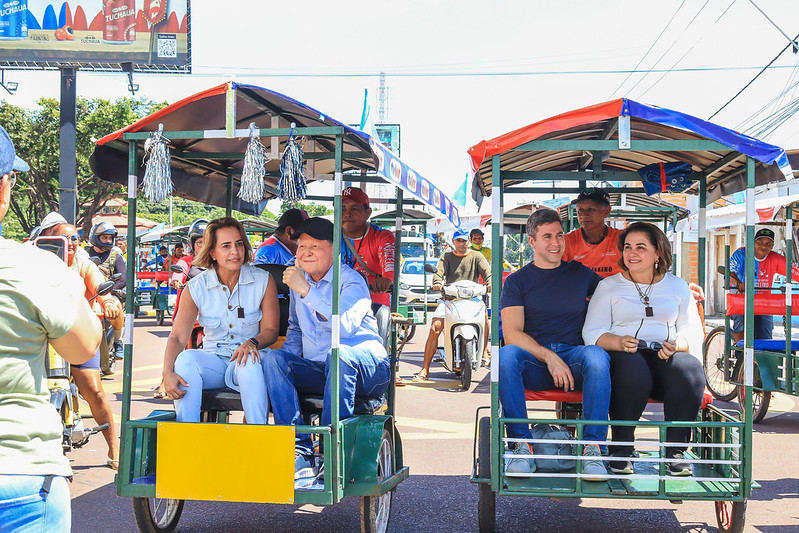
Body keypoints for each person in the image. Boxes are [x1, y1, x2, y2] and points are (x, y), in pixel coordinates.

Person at [0, 125, 102, 531]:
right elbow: (83, 347)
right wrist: (70, 288)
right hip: (19, 475)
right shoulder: (36, 267)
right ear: (4, 188)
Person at [262, 217, 391, 479]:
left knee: (339, 354)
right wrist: (287, 370)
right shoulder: (300, 282)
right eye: (300, 247)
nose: (305, 253)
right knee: (275, 359)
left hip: (367, 370)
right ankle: (301, 451)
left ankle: (333, 452)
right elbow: (296, 331)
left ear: (333, 249)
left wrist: (307, 291)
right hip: (323, 369)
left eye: (314, 247)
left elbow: (342, 328)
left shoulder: (350, 281)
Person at [582, 222, 705, 476]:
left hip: (664, 355)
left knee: (689, 368)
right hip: (625, 355)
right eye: (627, 247)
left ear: (657, 253)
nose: (632, 253)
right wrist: (617, 342)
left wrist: (679, 344)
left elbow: (693, 330)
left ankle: (675, 452)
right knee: (633, 368)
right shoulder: (609, 286)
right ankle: (622, 450)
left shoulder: (678, 286)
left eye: (641, 247)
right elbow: (591, 331)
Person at [498, 208, 610, 479]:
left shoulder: (580, 274)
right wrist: (549, 357)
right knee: (506, 355)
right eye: (547, 236)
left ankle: (592, 448)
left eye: (560, 235)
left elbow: (617, 293)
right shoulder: (516, 282)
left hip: (574, 361)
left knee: (597, 355)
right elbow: (512, 333)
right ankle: (521, 445)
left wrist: (662, 284)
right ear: (532, 242)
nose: (556, 243)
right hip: (534, 364)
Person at [161, 217, 279, 425]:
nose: (235, 252)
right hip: (214, 361)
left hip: (249, 358)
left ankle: (258, 436)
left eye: (239, 244)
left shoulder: (263, 280)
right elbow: (178, 337)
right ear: (212, 252)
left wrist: (252, 343)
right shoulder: (196, 286)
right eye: (226, 246)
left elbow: (271, 330)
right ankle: (188, 437)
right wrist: (167, 372)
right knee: (186, 360)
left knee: (249, 362)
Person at [51, 223, 121, 470]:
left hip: (78, 338)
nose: (69, 243)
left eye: (73, 238)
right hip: (44, 342)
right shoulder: (38, 266)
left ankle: (114, 448)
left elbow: (101, 288)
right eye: (61, 238)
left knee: (95, 391)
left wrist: (109, 301)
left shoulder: (84, 265)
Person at [414, 228, 492, 381]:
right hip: (450, 299)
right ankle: (425, 369)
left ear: (469, 241)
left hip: (472, 299)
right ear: (453, 242)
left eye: (464, 240)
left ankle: (483, 352)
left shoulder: (477, 256)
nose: (462, 243)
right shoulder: (446, 256)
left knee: (485, 319)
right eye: (459, 241)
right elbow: (438, 273)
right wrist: (437, 283)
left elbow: (487, 272)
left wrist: (490, 283)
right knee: (435, 327)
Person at [340, 187, 400, 384]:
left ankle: (378, 374)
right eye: (342, 208)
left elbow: (389, 271)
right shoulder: (329, 237)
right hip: (339, 305)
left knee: (381, 319)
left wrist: (386, 280)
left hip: (372, 307)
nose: (347, 213)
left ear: (368, 212)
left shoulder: (382, 237)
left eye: (354, 208)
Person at [728, 227, 799, 341]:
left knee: (765, 332)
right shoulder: (741, 254)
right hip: (741, 299)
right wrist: (739, 283)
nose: (763, 246)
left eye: (768, 244)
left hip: (763, 302)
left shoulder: (775, 258)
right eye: (760, 242)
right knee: (741, 326)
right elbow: (729, 273)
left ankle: (763, 356)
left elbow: (794, 271)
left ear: (772, 246)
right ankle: (740, 354)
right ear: (754, 243)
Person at [86, 220, 126, 362]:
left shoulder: (116, 255)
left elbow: (123, 279)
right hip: (87, 294)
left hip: (109, 293)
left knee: (115, 307)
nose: (108, 240)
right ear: (95, 237)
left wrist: (108, 291)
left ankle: (118, 341)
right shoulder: (84, 254)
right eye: (104, 237)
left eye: (110, 238)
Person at [562, 188, 624, 278]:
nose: (584, 215)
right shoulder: (567, 241)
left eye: (591, 209)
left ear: (606, 211)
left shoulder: (621, 239)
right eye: (580, 210)